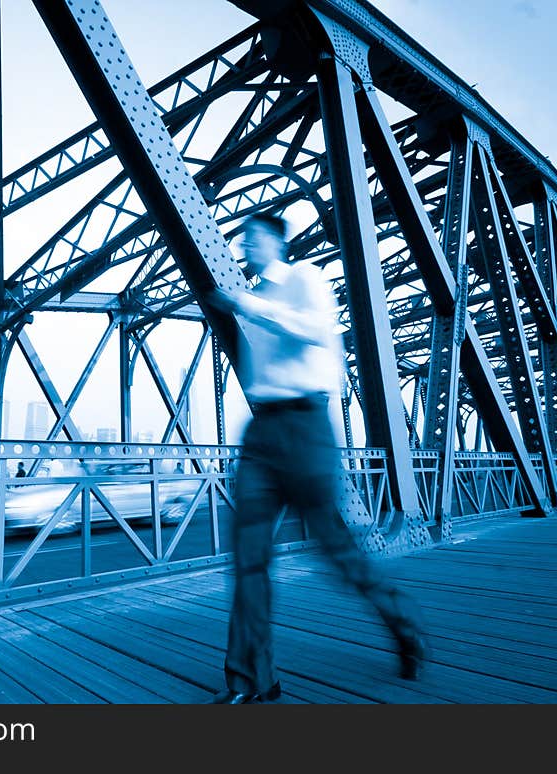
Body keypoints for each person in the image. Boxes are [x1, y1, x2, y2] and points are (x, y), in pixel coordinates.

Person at [207, 212, 427, 704]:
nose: (248, 245)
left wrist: (244, 305)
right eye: (244, 239)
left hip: (305, 427)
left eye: (257, 237)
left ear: (278, 242)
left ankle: (403, 625)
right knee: (248, 559)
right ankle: (252, 682)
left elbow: (314, 332)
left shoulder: (305, 278)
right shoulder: (255, 296)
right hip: (261, 430)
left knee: (337, 551)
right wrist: (246, 305)